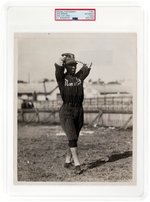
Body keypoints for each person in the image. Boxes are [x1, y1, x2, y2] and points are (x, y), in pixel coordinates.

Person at [55, 53, 92, 174]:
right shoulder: (62, 78)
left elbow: (88, 65)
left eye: (74, 65)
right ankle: (77, 164)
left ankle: (67, 161)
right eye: (70, 65)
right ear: (66, 66)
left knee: (74, 138)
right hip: (67, 111)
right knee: (72, 137)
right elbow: (58, 67)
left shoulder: (79, 77)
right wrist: (62, 58)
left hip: (79, 111)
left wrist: (83, 62)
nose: (73, 67)